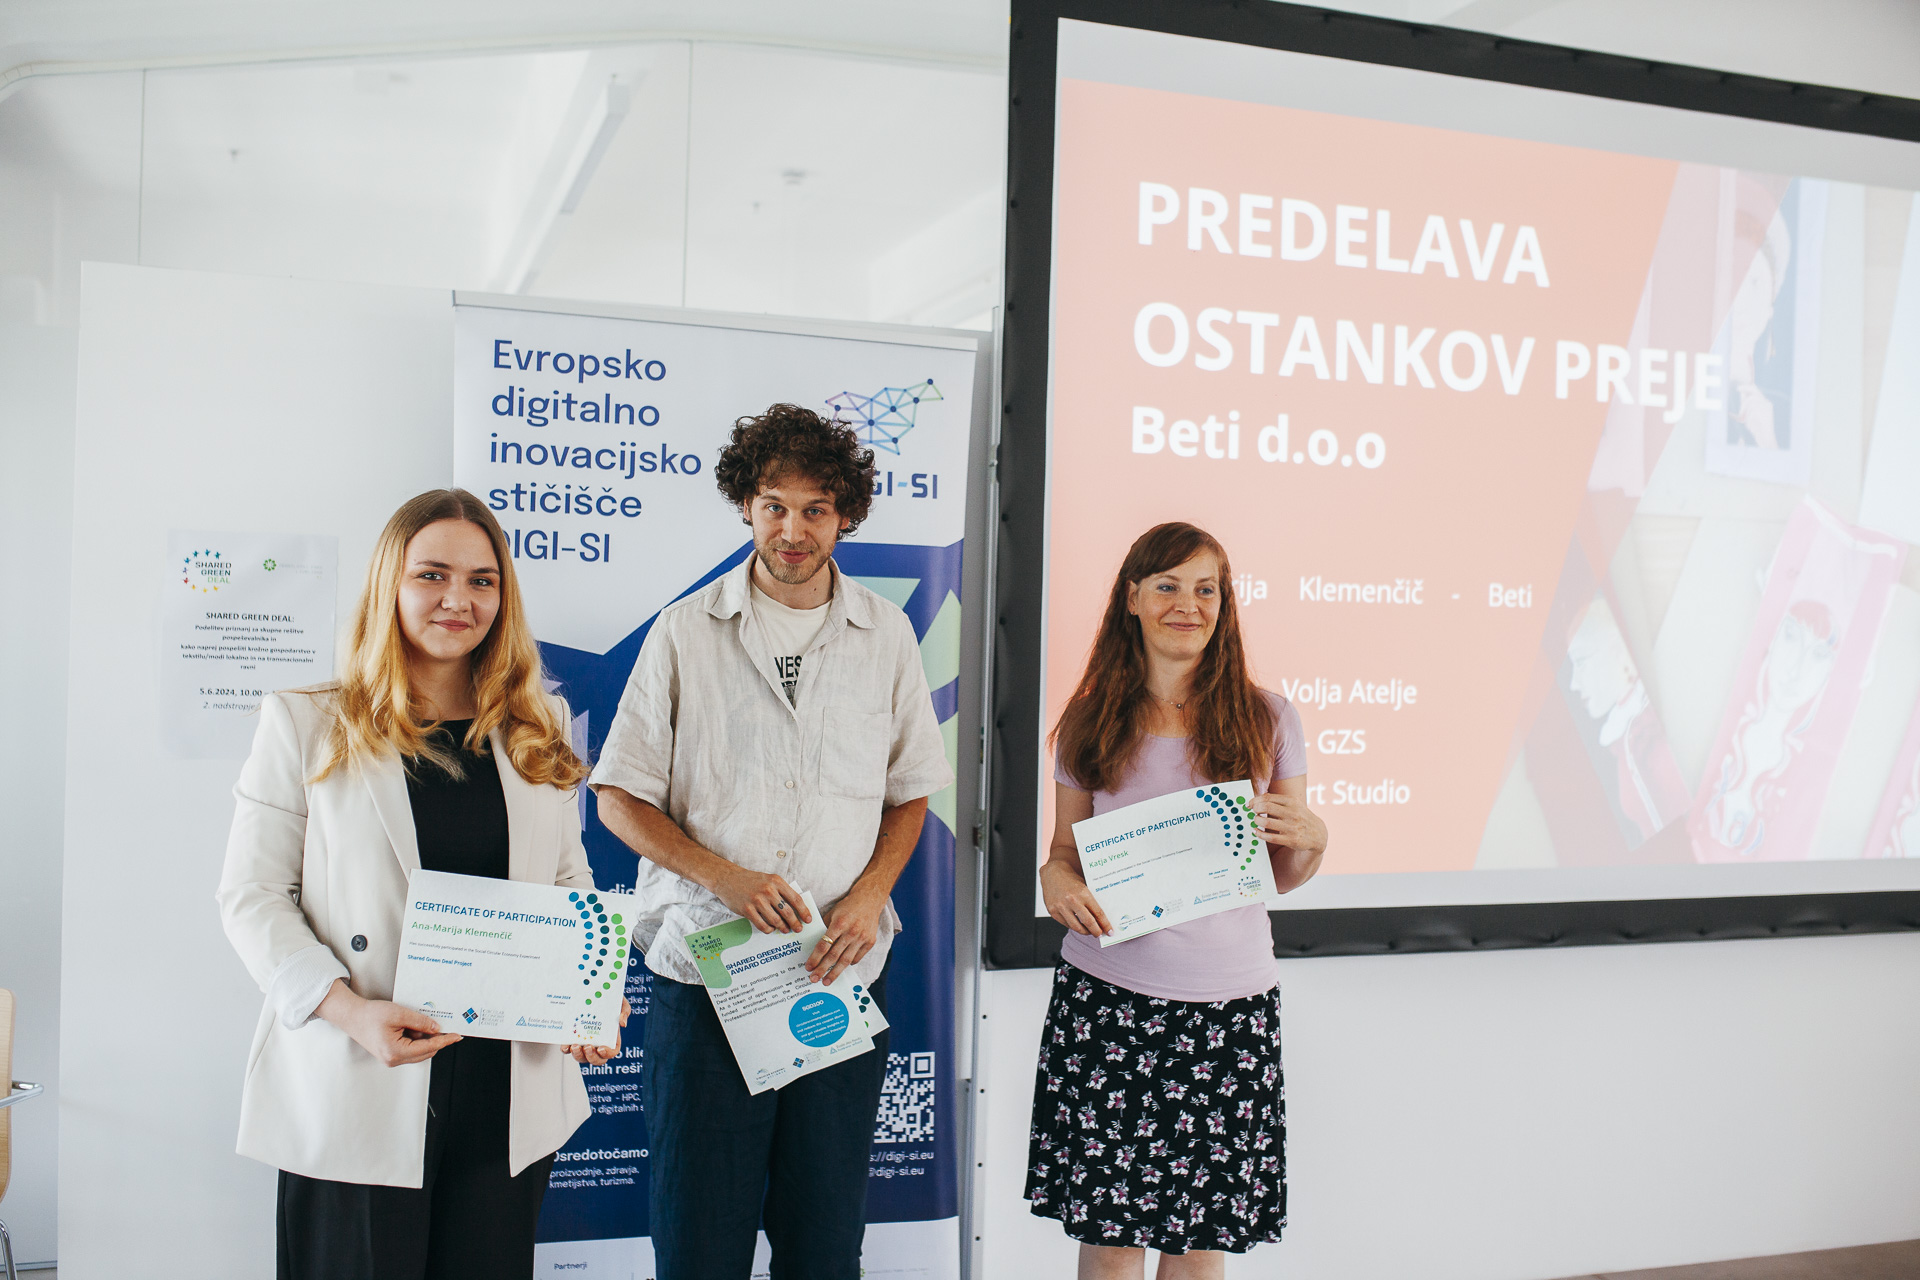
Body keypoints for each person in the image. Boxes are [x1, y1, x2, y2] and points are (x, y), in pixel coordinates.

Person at [217, 489, 627, 1280]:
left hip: (508, 1093)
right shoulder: (307, 723)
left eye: (482, 580)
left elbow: (569, 880)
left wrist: (594, 989)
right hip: (363, 1071)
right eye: (432, 575)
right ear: (388, 586)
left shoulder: (535, 724)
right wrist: (350, 1011)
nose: (457, 599)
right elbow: (251, 896)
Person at [589, 403, 952, 1280]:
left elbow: (911, 794)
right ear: (744, 507)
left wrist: (869, 898)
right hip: (705, 978)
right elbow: (617, 799)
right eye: (774, 505)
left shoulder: (887, 633)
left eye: (815, 509)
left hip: (836, 973)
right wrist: (726, 876)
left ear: (848, 515)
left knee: (824, 1242)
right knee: (699, 1241)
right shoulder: (684, 632)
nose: (793, 529)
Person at [1028, 522, 1328, 1279]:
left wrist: (1313, 840)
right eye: (1167, 586)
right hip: (1109, 1002)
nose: (1187, 605)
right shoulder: (1089, 720)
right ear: (1131, 598)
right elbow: (1063, 858)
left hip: (1228, 1009)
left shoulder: (1269, 718)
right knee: (1112, 1243)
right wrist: (1057, 884)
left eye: (1207, 589)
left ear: (1224, 605)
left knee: (1198, 1248)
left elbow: (1282, 875)